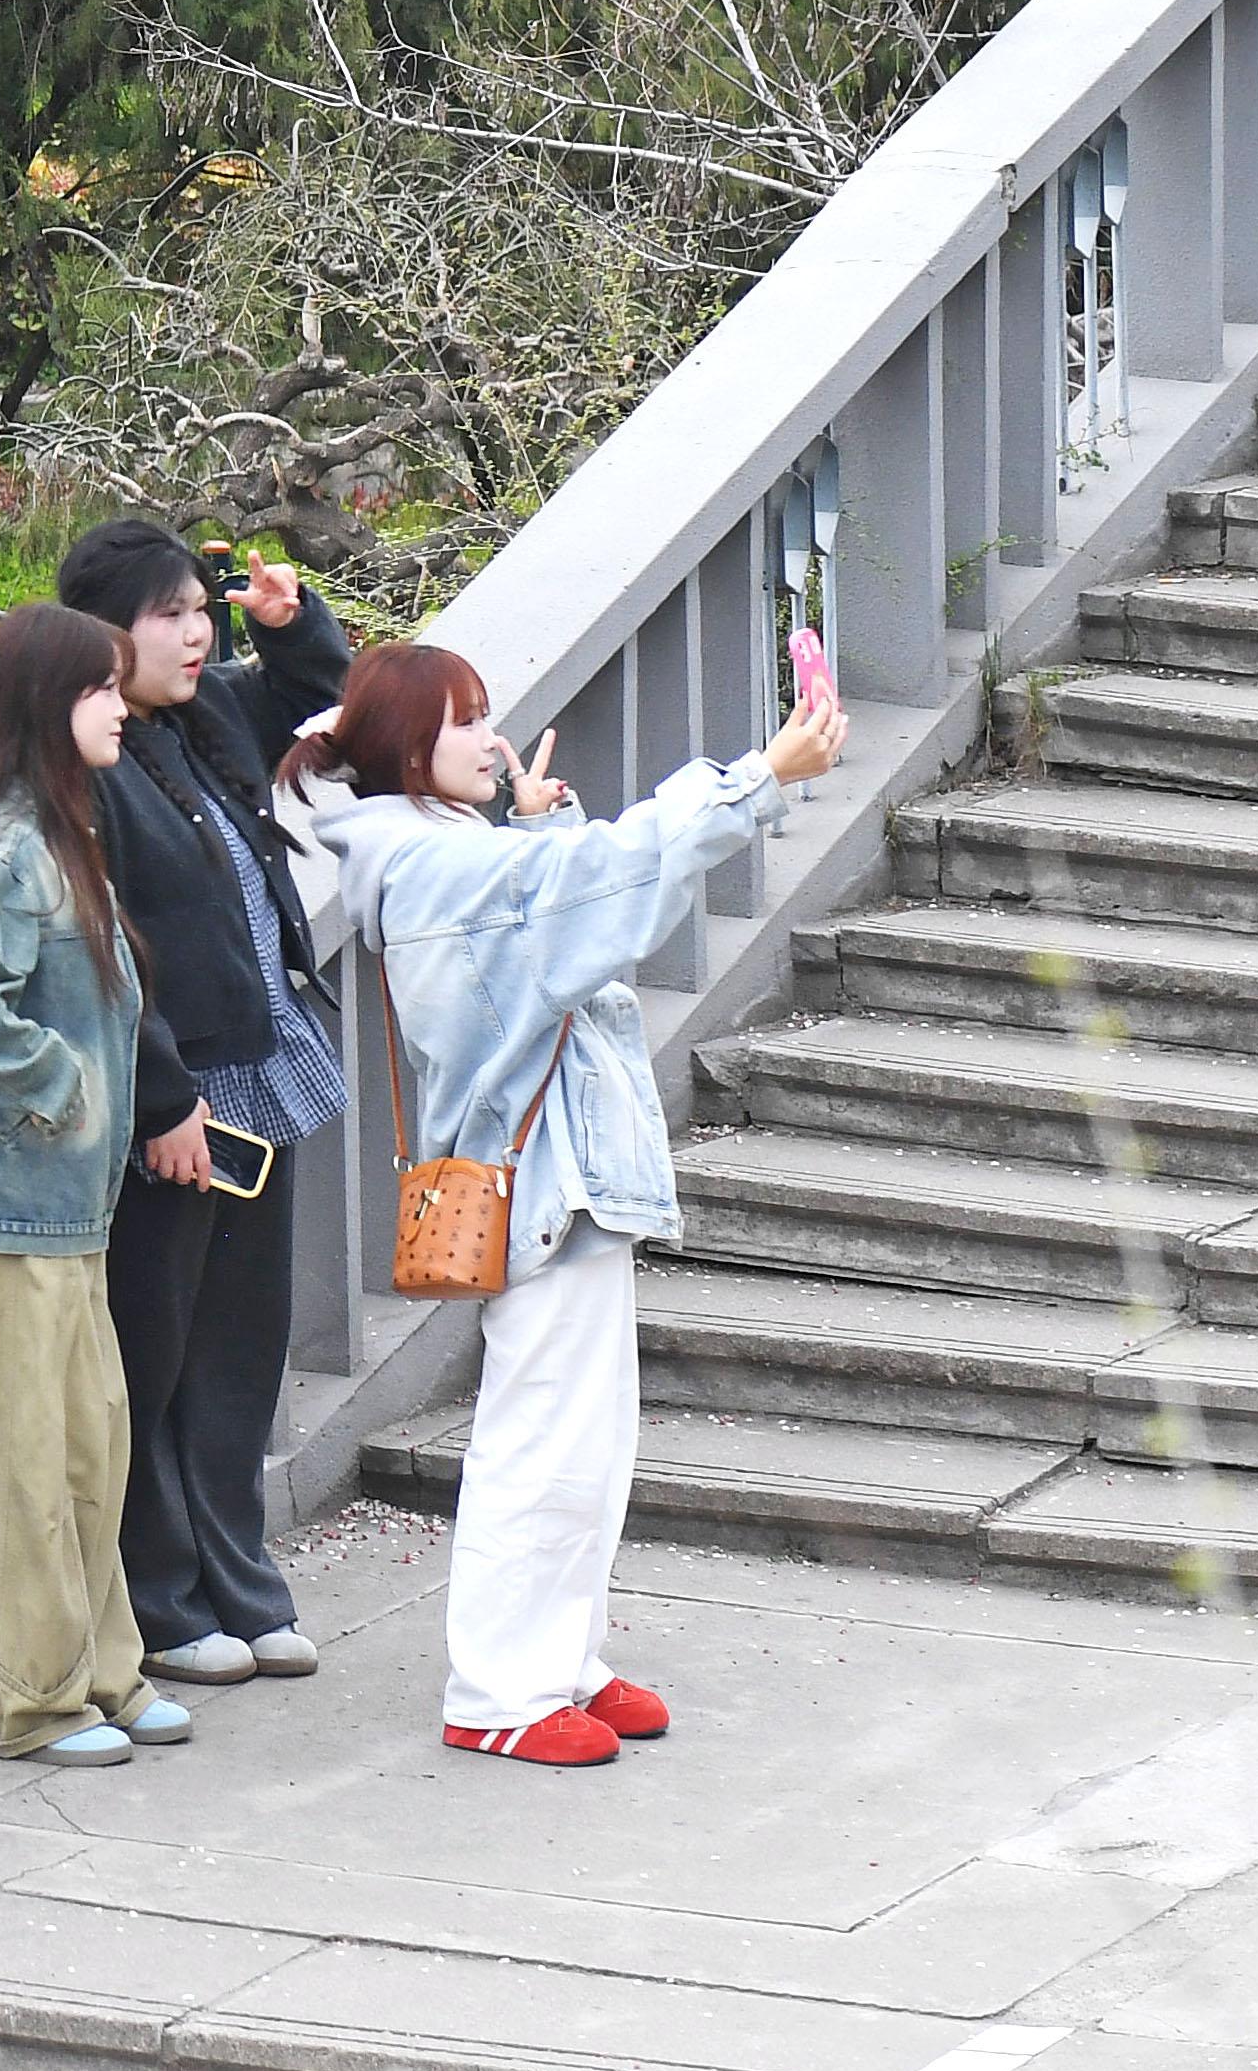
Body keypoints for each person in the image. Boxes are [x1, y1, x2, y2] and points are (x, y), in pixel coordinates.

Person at [287, 637, 844, 1767]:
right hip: (539, 1180)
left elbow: (541, 928)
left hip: (557, 1177)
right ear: (404, 747)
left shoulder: (432, 847)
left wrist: (534, 829)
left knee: (583, 1437)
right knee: (542, 1439)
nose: (489, 740)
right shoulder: (432, 861)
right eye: (462, 721)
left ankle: (559, 1661)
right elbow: (592, 889)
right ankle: (501, 1689)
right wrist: (756, 778)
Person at [47, 518, 354, 1689]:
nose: (194, 632)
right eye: (165, 614)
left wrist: (291, 623)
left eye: (198, 609)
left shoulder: (205, 712)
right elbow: (97, 947)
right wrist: (161, 1094)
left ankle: (243, 1584)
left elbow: (321, 709)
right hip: (173, 1102)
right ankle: (165, 1602)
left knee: (238, 1351)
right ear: (99, 635)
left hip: (256, 1072)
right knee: (156, 1351)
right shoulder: (83, 757)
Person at [0, 604, 202, 1765]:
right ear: (46, 702)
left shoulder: (59, 833)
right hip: (10, 1204)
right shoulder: (15, 845)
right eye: (99, 688)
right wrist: (60, 1083)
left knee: (88, 1442)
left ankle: (100, 1672)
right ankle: (21, 1700)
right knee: (25, 1457)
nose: (120, 707)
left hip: (63, 1206)